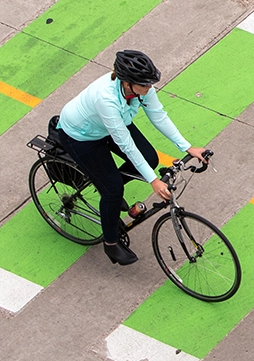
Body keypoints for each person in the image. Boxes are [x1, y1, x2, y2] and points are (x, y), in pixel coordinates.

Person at [56, 50, 206, 266]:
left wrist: (188, 147)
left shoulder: (142, 88)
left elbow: (158, 115)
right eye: (144, 85)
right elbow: (125, 143)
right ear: (127, 83)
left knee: (149, 158)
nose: (149, 89)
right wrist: (153, 180)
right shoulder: (105, 98)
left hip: (111, 126)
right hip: (81, 136)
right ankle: (111, 244)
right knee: (113, 189)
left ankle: (106, 188)